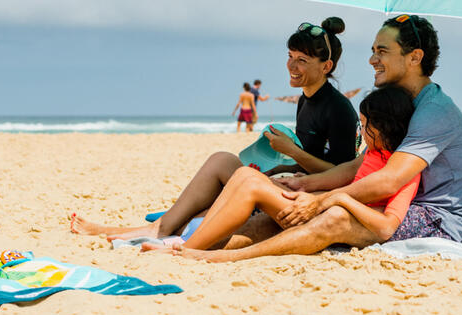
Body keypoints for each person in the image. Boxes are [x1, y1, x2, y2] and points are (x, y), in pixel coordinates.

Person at [148, 13, 462, 263]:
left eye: (382, 51)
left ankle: (217, 257)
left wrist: (323, 199)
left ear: (414, 58)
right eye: (372, 50)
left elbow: (389, 181)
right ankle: (191, 243)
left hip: (433, 217)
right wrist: (306, 185)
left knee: (331, 215)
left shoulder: (433, 111)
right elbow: (359, 165)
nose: (371, 59)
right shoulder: (397, 105)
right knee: (280, 204)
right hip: (390, 203)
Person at [70, 17, 359, 240]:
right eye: (290, 56)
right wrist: (274, 169)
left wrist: (290, 151)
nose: (291, 66)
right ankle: (158, 228)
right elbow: (309, 158)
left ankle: (158, 230)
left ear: (326, 66)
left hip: (310, 200)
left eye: (302, 60)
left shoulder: (338, 109)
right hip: (294, 182)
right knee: (222, 159)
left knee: (231, 186)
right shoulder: (306, 101)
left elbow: (341, 175)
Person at [145, 86, 419, 255]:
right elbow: (347, 170)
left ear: (384, 127)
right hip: (319, 202)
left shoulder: (405, 166)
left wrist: (336, 198)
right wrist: (306, 183)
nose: (361, 131)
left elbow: (385, 227)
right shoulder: (373, 151)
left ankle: (188, 249)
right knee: (243, 175)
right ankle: (183, 237)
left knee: (250, 182)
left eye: (365, 125)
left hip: (326, 216)